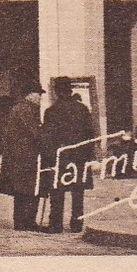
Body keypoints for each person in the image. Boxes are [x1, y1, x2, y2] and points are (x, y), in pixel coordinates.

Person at [40, 77, 97, 233]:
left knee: (57, 190)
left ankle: (56, 224)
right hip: (79, 158)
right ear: (70, 90)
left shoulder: (51, 112)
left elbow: (47, 137)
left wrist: (48, 157)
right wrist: (88, 155)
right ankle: (77, 224)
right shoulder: (83, 109)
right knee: (78, 192)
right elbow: (90, 135)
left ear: (56, 91)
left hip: (60, 158)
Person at [0, 80, 46, 231]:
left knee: (21, 191)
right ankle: (28, 222)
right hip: (26, 157)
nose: (40, 97)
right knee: (32, 189)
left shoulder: (19, 108)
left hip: (18, 157)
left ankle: (20, 222)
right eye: (38, 94)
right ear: (30, 95)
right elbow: (35, 133)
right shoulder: (27, 110)